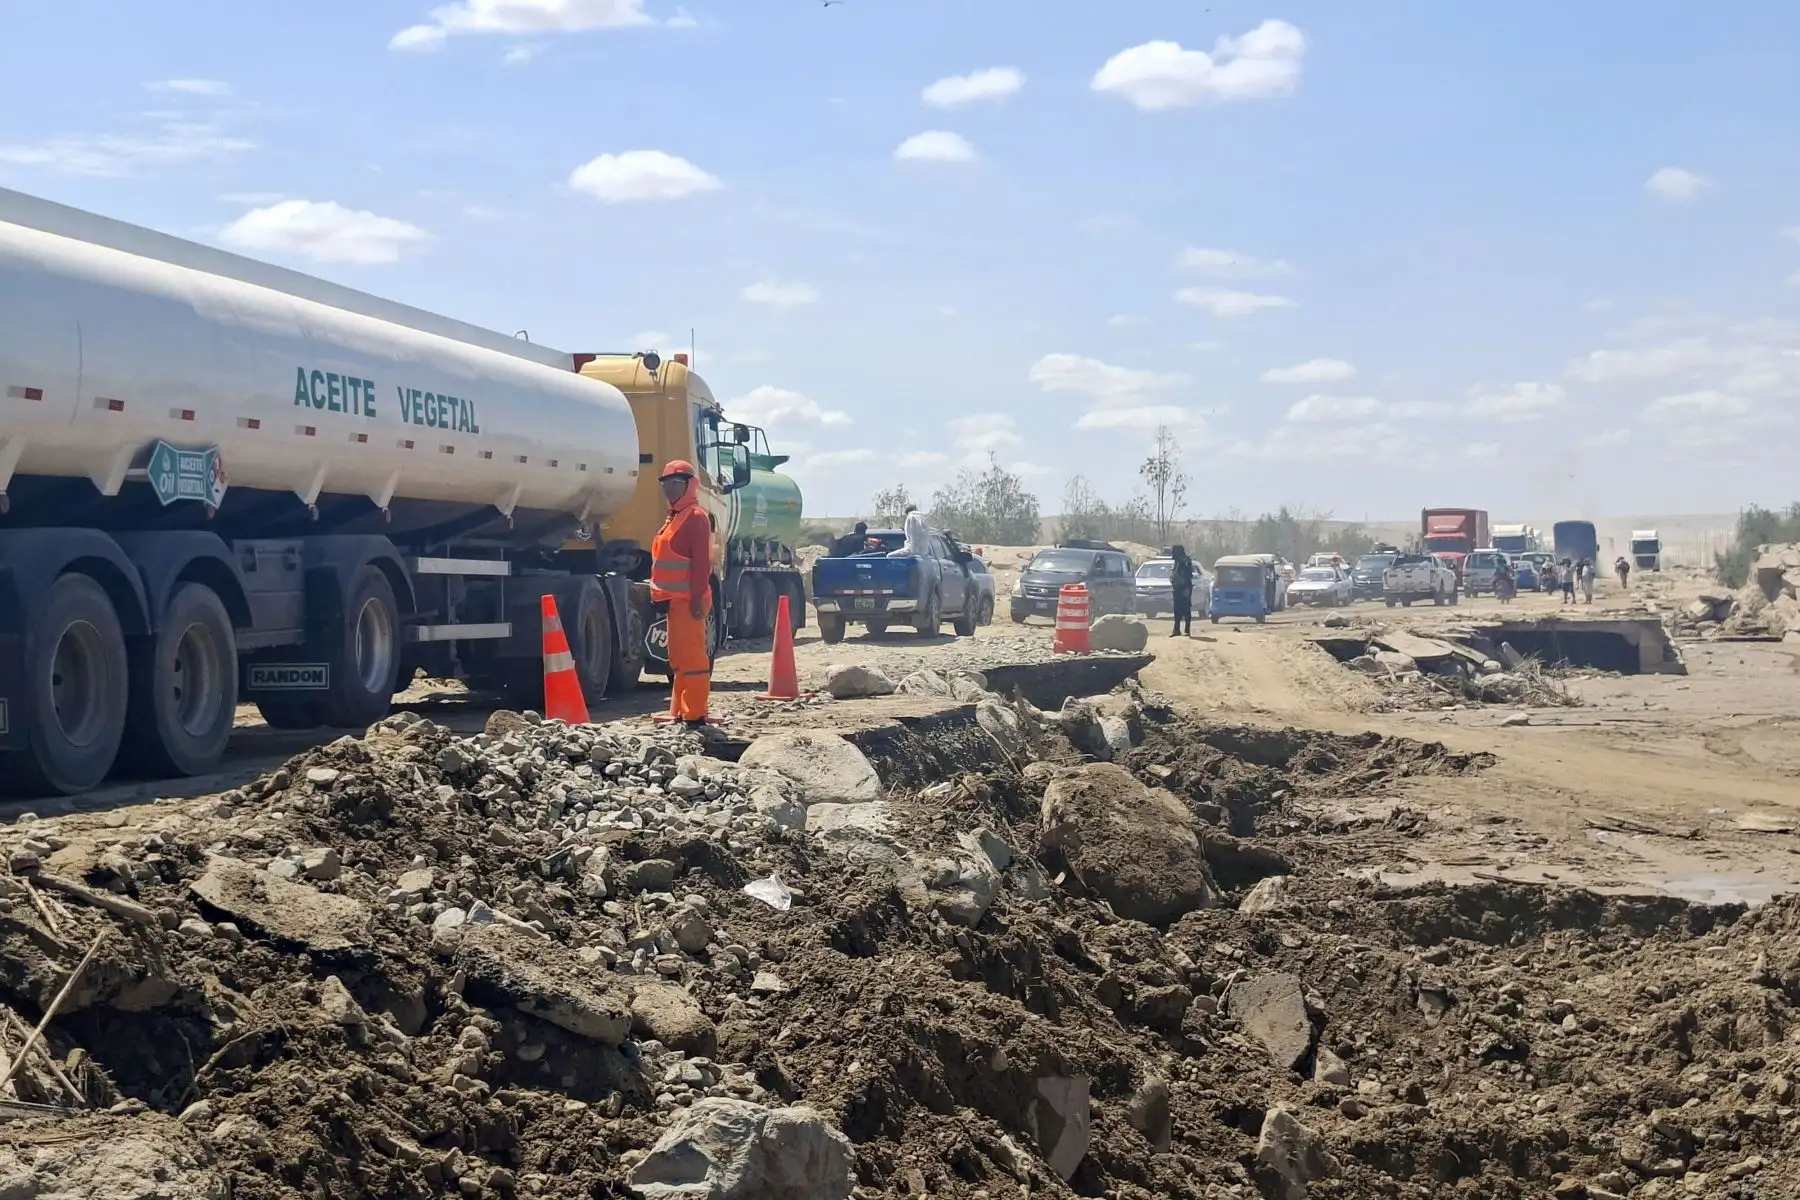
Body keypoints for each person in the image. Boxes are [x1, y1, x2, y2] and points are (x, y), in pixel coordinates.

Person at [649, 460, 714, 728]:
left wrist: (698, 598)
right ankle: (680, 710)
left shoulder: (695, 517)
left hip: (689, 601)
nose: (670, 490)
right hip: (673, 601)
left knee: (691, 657)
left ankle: (695, 713)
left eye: (676, 484)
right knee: (678, 658)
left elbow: (701, 564)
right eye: (666, 484)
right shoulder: (673, 517)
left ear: (690, 485)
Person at [1169, 544, 1196, 636]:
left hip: (1185, 588)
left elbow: (1188, 575)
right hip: (1177, 588)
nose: (1172, 553)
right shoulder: (1176, 562)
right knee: (1177, 609)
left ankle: (1187, 630)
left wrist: (1186, 588)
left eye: (1174, 551)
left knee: (1186, 608)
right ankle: (1176, 630)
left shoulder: (1185, 561)